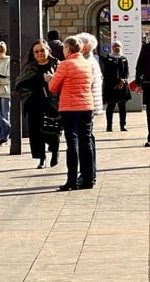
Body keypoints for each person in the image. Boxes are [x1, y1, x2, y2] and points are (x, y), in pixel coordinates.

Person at [46, 36, 94, 191]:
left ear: (67, 49)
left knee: (72, 143)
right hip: (86, 106)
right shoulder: (86, 64)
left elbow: (53, 87)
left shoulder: (65, 64)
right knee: (86, 142)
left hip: (69, 108)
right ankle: (88, 179)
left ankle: (71, 180)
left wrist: (49, 78)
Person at [15, 40, 61, 169]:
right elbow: (19, 84)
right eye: (36, 51)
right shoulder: (29, 67)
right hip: (34, 103)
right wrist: (29, 95)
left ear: (48, 51)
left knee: (53, 130)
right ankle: (41, 157)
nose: (40, 53)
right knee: (36, 132)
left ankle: (54, 150)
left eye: (42, 50)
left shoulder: (57, 64)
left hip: (52, 102)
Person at [77, 32, 103, 186]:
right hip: (90, 103)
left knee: (84, 140)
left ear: (85, 47)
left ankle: (87, 175)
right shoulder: (90, 60)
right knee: (88, 138)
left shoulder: (86, 62)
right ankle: (89, 174)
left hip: (85, 104)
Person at [102, 41, 131, 132]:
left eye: (118, 46)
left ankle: (123, 125)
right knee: (110, 106)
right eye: (114, 46)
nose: (116, 48)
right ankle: (109, 126)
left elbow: (126, 71)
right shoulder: (108, 59)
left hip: (122, 86)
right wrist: (115, 83)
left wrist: (123, 80)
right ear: (112, 48)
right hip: (111, 86)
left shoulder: (124, 59)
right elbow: (106, 73)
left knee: (122, 106)